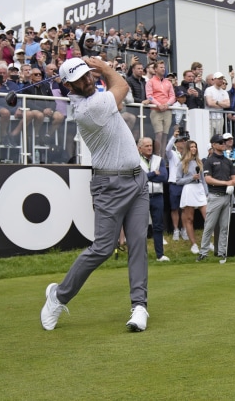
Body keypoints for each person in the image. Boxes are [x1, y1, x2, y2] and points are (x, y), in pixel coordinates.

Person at [40, 56, 150, 332]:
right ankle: (58, 296)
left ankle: (139, 306)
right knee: (102, 248)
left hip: (137, 180)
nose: (88, 80)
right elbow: (122, 86)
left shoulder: (99, 99)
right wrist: (101, 65)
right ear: (68, 86)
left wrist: (94, 67)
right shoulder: (89, 109)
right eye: (80, 79)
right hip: (109, 187)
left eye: (89, 75)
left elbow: (118, 97)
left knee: (137, 244)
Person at [196, 133, 235, 262]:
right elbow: (208, 179)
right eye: (220, 142)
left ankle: (222, 252)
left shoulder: (228, 162)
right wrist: (226, 183)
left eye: (224, 142)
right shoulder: (209, 161)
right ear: (213, 145)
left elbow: (234, 178)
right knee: (209, 225)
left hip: (227, 196)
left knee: (225, 226)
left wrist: (232, 183)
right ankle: (203, 252)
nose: (223, 144)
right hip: (215, 196)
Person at [137, 137, 170, 262]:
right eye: (146, 146)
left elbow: (163, 177)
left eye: (150, 145)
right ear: (140, 148)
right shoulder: (135, 161)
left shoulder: (159, 160)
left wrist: (147, 177)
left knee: (158, 226)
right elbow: (138, 178)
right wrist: (152, 174)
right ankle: (140, 256)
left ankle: (160, 255)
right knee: (141, 227)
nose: (150, 148)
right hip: (142, 196)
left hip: (157, 196)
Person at [177, 139, 207, 254]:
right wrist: (191, 178)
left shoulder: (199, 162)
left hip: (199, 189)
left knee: (208, 217)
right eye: (192, 147)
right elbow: (178, 180)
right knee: (189, 218)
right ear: (188, 149)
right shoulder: (182, 163)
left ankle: (207, 243)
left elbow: (203, 179)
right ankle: (193, 244)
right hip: (189, 189)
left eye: (195, 146)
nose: (194, 149)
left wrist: (206, 192)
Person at [145, 60, 175, 157]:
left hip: (167, 110)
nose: (163, 69)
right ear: (155, 69)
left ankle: (162, 157)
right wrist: (158, 104)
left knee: (165, 135)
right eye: (161, 67)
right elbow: (149, 96)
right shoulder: (150, 82)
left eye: (164, 67)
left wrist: (167, 104)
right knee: (159, 133)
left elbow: (172, 96)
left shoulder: (168, 82)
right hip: (156, 110)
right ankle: (156, 156)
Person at [204, 71, 230, 136]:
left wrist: (216, 102)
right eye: (219, 79)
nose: (221, 80)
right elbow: (209, 103)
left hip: (220, 118)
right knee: (209, 136)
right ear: (214, 79)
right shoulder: (209, 90)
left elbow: (228, 105)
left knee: (219, 137)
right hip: (210, 117)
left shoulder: (224, 92)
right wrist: (222, 104)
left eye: (222, 78)